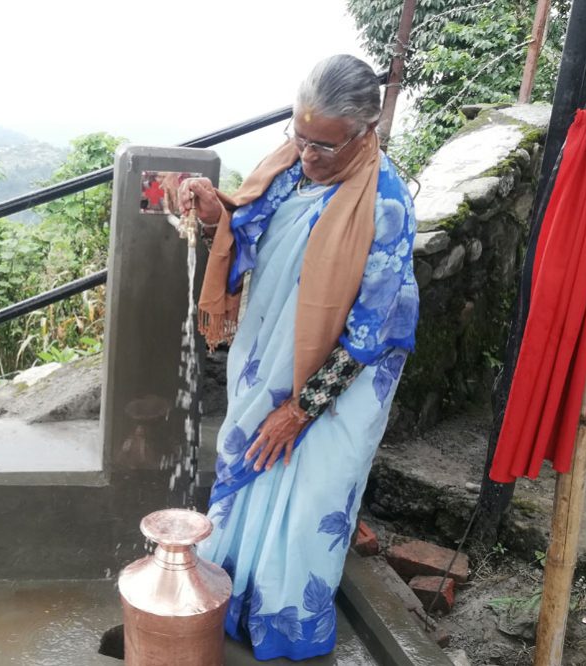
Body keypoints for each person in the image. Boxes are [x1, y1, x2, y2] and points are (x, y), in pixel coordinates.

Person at [177, 54, 419, 660]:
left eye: (325, 148)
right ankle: (234, 601)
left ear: (366, 133)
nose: (307, 157)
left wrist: (300, 410)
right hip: (272, 356)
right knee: (254, 471)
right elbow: (253, 230)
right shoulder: (290, 167)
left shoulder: (385, 205)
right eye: (299, 136)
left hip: (348, 375)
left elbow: (368, 329)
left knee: (312, 495)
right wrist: (216, 217)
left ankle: (286, 626)